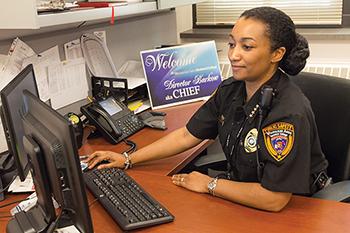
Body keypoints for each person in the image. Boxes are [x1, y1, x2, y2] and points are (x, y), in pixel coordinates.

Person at [85, 6, 328, 212]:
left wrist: (210, 185)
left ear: (277, 53)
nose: (234, 55)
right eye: (232, 44)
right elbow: (186, 135)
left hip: (294, 207)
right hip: (242, 193)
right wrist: (127, 159)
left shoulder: (289, 111)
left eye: (247, 47)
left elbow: (275, 199)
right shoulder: (232, 89)